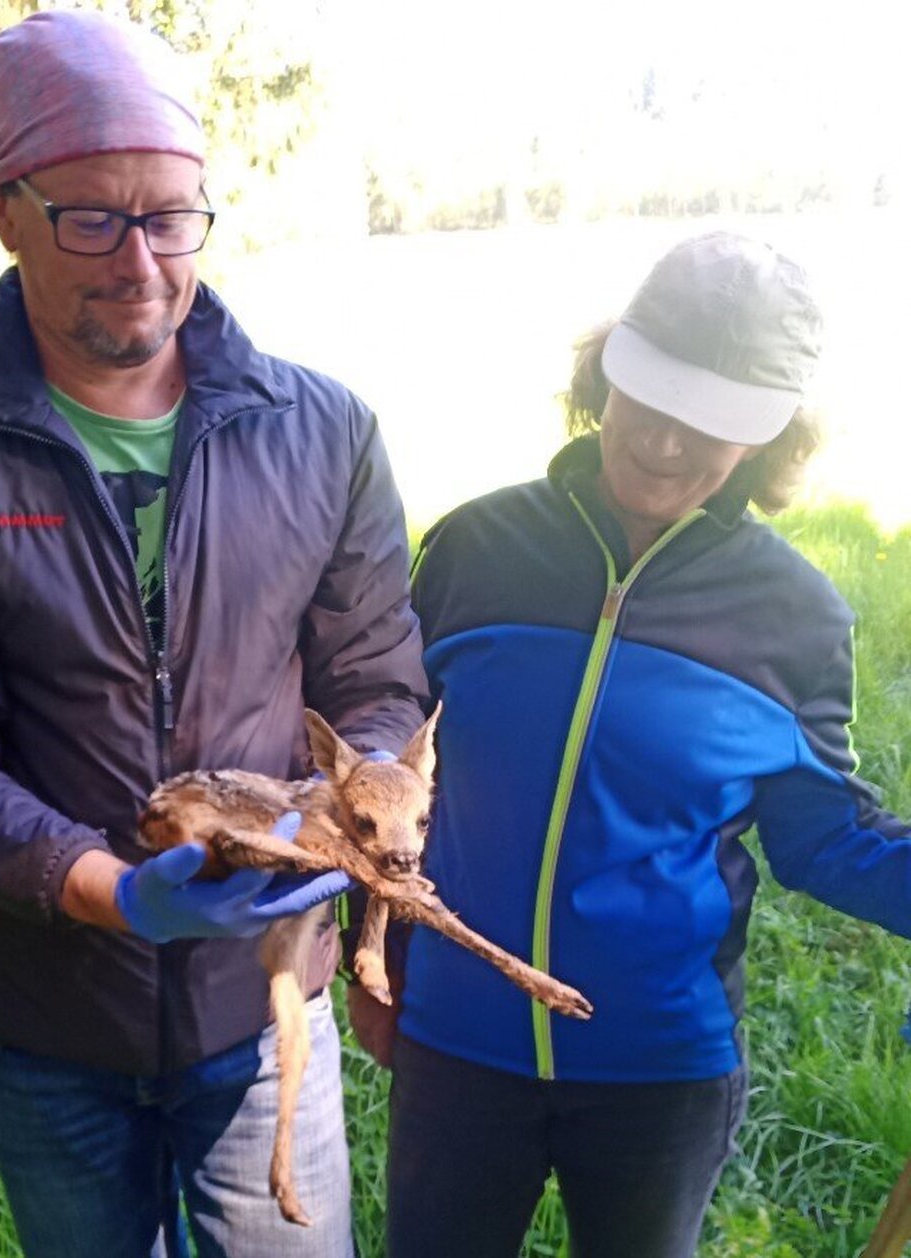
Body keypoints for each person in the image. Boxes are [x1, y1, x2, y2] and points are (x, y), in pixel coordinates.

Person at [0, 11, 427, 1258]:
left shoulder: (322, 430)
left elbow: (372, 680)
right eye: (91, 218)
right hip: (40, 1013)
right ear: (5, 211)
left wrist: (340, 829)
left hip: (264, 1002)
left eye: (170, 217)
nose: (140, 261)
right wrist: (112, 895)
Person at [346, 231, 911, 1258]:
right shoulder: (475, 548)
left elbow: (822, 839)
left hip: (660, 1070)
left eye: (710, 425)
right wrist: (370, 957)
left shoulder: (793, 616)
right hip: (456, 1039)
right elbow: (381, 779)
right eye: (645, 400)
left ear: (770, 438)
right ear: (603, 372)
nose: (661, 443)